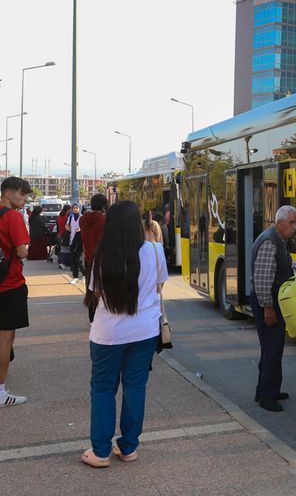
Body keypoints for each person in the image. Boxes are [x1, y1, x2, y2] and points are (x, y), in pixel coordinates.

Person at [80, 200, 168, 468]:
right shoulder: (155, 251)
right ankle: (128, 448)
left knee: (104, 389)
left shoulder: (101, 256)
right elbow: (159, 286)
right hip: (145, 332)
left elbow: (95, 294)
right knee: (135, 387)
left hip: (108, 335)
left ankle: (100, 452)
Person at [250, 205, 296, 412]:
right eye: (292, 223)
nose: (295, 227)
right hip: (267, 304)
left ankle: (265, 389)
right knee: (272, 349)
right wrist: (268, 308)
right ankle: (267, 397)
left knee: (271, 348)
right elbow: (262, 280)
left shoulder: (278, 239)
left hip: (270, 302)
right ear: (279, 223)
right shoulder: (270, 241)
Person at [0, 177, 32, 408]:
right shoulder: (12, 217)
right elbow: (22, 251)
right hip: (8, 284)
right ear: (8, 194)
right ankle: (1, 391)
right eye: (22, 195)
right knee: (5, 338)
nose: (25, 199)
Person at [80, 194, 108, 322]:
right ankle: (100, 315)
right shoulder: (104, 220)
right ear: (103, 205)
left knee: (90, 289)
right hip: (101, 258)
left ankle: (91, 317)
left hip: (88, 258)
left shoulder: (82, 219)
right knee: (101, 289)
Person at [66, 203, 84, 283]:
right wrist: (67, 227)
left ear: (79, 208)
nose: (75, 209)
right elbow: (66, 225)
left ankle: (84, 274)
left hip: (80, 241)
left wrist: (80, 229)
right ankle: (75, 276)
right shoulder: (70, 217)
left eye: (76, 208)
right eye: (74, 208)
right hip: (72, 240)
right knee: (73, 259)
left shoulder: (82, 217)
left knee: (78, 259)